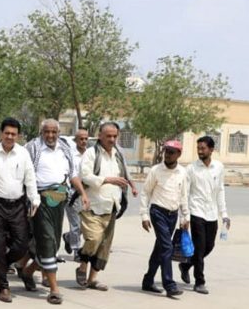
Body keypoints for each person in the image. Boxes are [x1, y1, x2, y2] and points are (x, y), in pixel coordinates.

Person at [20, 119, 88, 305]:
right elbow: (26, 175)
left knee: (54, 243)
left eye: (53, 132)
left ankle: (28, 271)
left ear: (58, 133)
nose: (50, 136)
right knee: (48, 241)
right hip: (39, 200)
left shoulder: (65, 149)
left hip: (60, 199)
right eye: (46, 132)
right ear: (41, 132)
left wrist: (82, 193)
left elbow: (73, 174)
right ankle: (54, 289)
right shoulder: (32, 148)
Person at [76, 122, 137, 291]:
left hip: (112, 205)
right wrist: (107, 180)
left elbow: (125, 172)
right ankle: (82, 266)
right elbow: (85, 176)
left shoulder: (118, 154)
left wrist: (132, 186)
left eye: (114, 136)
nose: (112, 139)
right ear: (100, 136)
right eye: (108, 136)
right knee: (93, 239)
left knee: (104, 246)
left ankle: (92, 279)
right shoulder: (91, 153)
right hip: (93, 205)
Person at [0, 118, 39, 303]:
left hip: (18, 205)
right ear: (1, 133)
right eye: (7, 133)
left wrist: (34, 198)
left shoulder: (23, 153)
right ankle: (3, 287)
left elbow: (30, 178)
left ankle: (2, 263)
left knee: (21, 244)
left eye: (13, 134)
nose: (10, 137)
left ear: (18, 136)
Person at [140, 140, 190, 299]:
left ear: (179, 154)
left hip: (172, 215)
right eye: (166, 151)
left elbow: (183, 195)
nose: (167, 154)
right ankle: (169, 285)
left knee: (160, 248)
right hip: (158, 212)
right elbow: (145, 192)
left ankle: (148, 280)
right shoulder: (156, 170)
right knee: (167, 247)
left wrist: (185, 216)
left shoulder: (182, 172)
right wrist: (144, 215)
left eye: (171, 152)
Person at [180, 136, 228, 294]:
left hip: (212, 213)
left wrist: (224, 214)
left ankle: (186, 265)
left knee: (209, 246)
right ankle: (199, 282)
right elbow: (185, 193)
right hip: (196, 212)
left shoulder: (218, 167)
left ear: (211, 149)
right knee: (199, 248)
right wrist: (185, 216)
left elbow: (220, 191)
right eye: (198, 148)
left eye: (203, 148)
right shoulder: (191, 169)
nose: (200, 151)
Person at [62, 129, 89, 261]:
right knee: (76, 223)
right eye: (81, 139)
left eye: (86, 139)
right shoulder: (70, 156)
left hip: (88, 194)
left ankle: (68, 237)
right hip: (73, 193)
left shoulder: (91, 155)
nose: (84, 141)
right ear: (76, 140)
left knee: (88, 224)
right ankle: (77, 250)